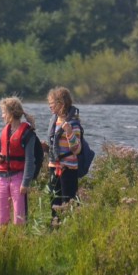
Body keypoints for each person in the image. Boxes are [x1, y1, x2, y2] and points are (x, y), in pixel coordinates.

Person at [0, 96, 38, 226]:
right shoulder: (4, 131)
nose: (2, 116)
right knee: (1, 218)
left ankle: (20, 241)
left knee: (19, 217)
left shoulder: (27, 134)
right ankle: (1, 242)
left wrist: (25, 183)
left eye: (4, 112)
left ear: (11, 113)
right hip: (2, 178)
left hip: (18, 179)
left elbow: (30, 160)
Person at [44, 86, 82, 225]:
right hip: (54, 167)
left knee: (68, 200)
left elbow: (77, 149)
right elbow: (56, 148)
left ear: (62, 104)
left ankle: (69, 227)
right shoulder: (54, 122)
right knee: (54, 200)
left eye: (52, 104)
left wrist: (69, 132)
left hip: (68, 169)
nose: (50, 107)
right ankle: (55, 227)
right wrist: (46, 148)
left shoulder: (73, 123)